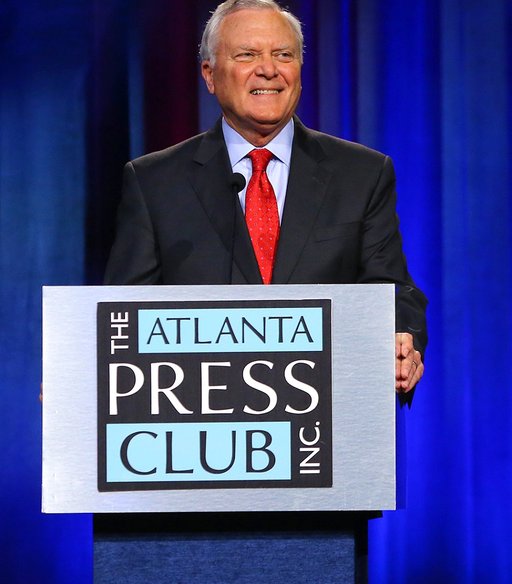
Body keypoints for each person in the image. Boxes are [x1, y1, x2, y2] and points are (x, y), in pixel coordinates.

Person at [104, 0, 426, 396]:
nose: (269, 69)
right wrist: (85, 374)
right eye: (247, 55)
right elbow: (121, 316)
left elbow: (391, 290)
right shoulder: (154, 182)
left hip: (325, 410)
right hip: (201, 417)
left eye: (283, 55)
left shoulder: (362, 174)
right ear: (210, 74)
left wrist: (401, 337)